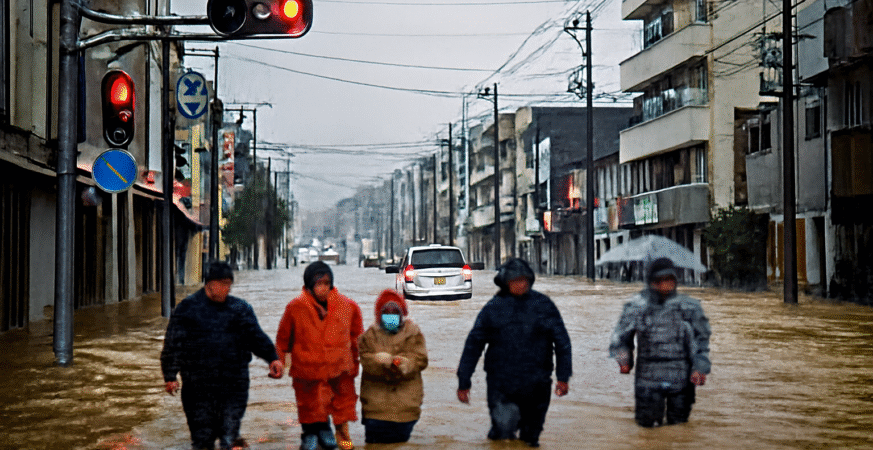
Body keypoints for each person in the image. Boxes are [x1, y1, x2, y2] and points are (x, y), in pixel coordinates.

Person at [160, 261, 284, 450]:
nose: (228, 288)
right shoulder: (187, 309)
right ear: (210, 283)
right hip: (198, 387)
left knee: (229, 437)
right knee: (202, 440)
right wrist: (170, 376)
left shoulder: (240, 309)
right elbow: (173, 344)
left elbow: (256, 337)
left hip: (234, 385)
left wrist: (273, 358)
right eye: (224, 283)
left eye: (229, 284)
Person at [456, 258, 572, 448]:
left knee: (530, 439)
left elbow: (562, 343)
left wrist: (563, 377)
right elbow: (473, 345)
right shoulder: (493, 308)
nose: (521, 284)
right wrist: (464, 381)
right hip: (502, 385)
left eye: (524, 280)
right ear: (505, 282)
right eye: (516, 281)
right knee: (503, 432)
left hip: (537, 385)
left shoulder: (544, 306)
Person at [609, 257, 711, 427]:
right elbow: (621, 338)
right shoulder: (636, 307)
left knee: (679, 427)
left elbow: (702, 340)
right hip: (648, 378)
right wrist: (625, 361)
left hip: (681, 378)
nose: (665, 284)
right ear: (651, 282)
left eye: (669, 279)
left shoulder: (690, 307)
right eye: (660, 280)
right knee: (647, 428)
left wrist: (699, 367)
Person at [275, 261, 363, 450]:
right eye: (318, 283)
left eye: (326, 283)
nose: (323, 288)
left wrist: (355, 364)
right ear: (309, 285)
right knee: (309, 405)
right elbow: (282, 340)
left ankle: (336, 435)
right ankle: (310, 432)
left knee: (341, 406)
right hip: (307, 370)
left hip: (339, 369)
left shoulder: (347, 306)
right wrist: (279, 362)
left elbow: (357, 338)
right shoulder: (295, 308)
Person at [358, 289, 428, 444]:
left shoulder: (413, 333)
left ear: (402, 314)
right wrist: (380, 361)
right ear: (379, 314)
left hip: (406, 410)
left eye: (395, 312)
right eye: (386, 313)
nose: (391, 317)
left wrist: (404, 364)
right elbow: (365, 360)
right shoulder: (369, 336)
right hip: (375, 411)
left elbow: (420, 359)